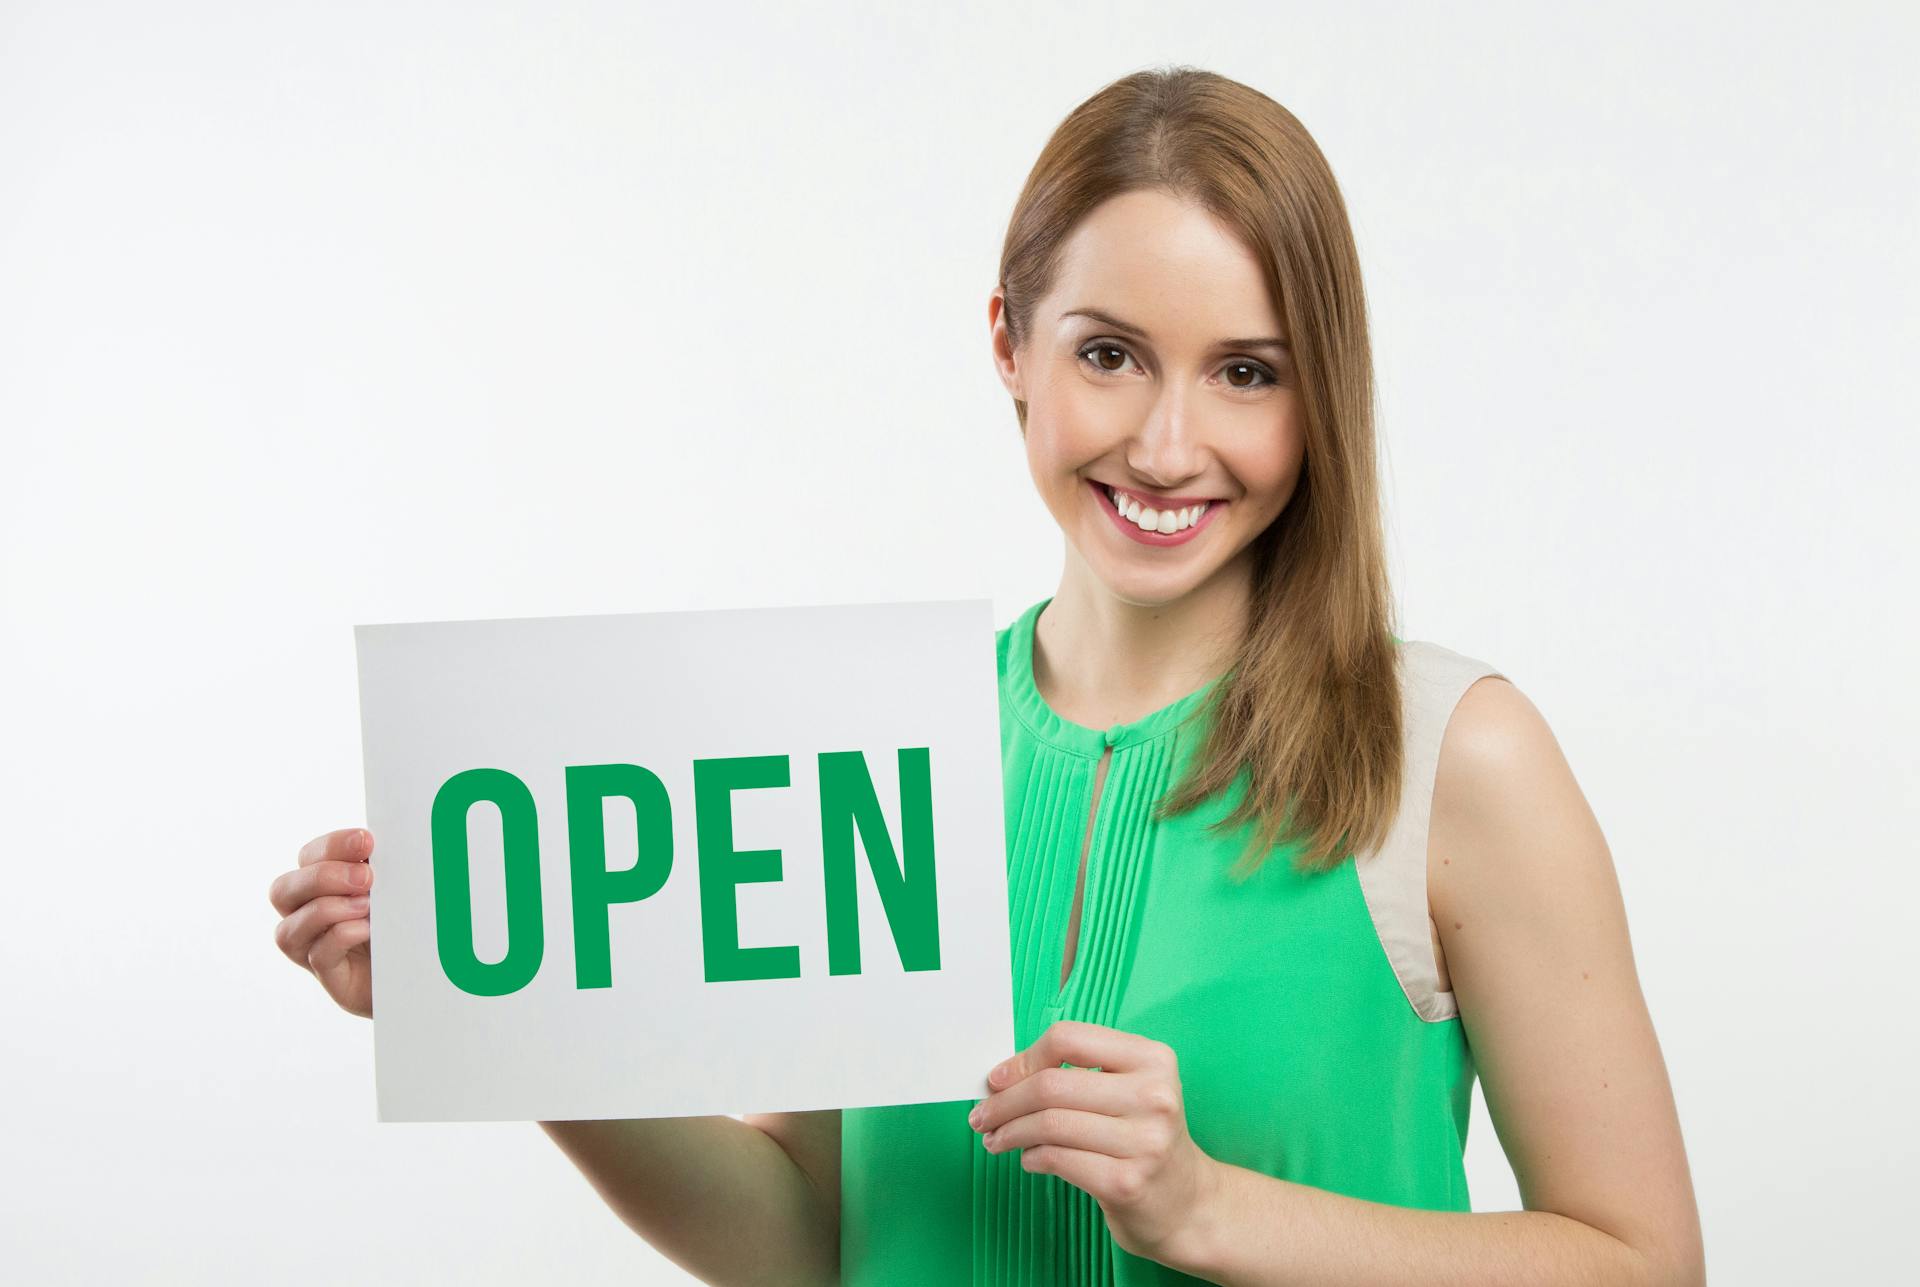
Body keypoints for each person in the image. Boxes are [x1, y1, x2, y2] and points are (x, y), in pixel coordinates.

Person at [269, 65, 1704, 1287]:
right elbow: (807, 1236)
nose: (1164, 444)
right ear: (1011, 344)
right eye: (1111, 355)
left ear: (1322, 390)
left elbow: (1644, 1263)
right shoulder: (883, 743)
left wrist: (1211, 1210)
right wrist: (494, 1011)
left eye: (1247, 373)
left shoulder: (1455, 755)